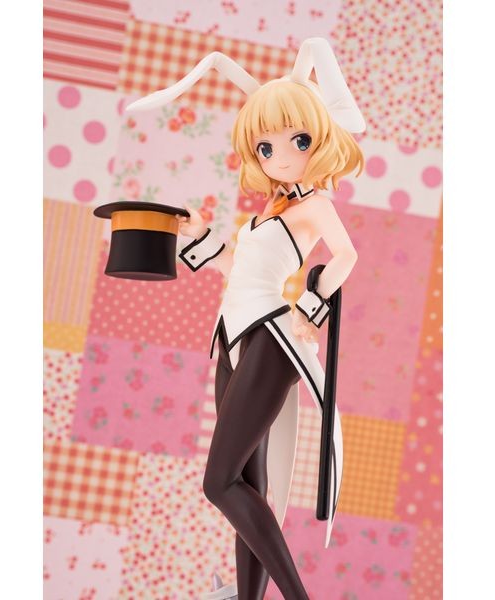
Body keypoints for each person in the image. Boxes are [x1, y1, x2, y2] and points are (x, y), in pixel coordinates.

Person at [127, 38, 365, 600]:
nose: (279, 155)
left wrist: (311, 305)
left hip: (271, 338)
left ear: (320, 139)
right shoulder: (270, 210)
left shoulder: (315, 205)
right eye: (265, 145)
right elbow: (239, 270)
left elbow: (346, 256)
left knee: (219, 482)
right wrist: (199, 236)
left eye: (297, 140)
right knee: (245, 481)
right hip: (232, 338)